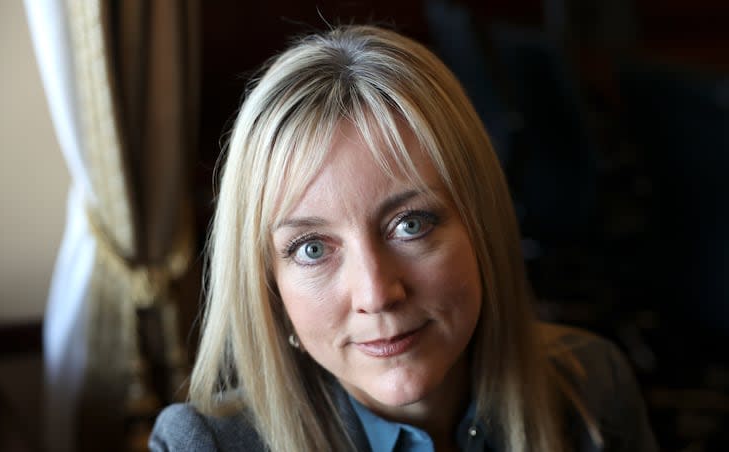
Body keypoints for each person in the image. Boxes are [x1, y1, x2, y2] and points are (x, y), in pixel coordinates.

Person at [150, 25, 657, 451]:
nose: (376, 294)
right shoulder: (200, 445)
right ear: (270, 286)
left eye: (410, 224)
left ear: (483, 225)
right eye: (311, 248)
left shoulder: (593, 386)